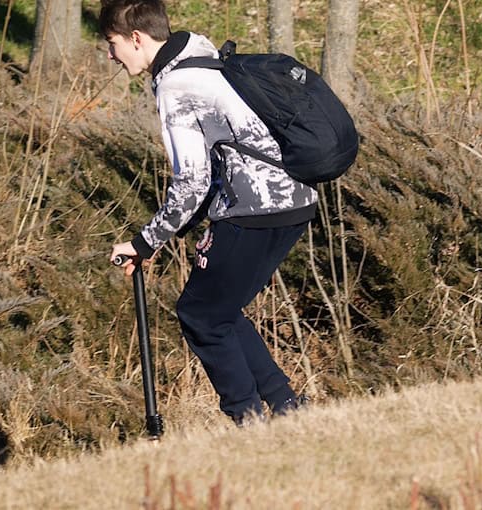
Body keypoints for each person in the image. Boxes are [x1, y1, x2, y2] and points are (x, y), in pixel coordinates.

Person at [101, 0, 318, 425]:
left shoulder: (176, 86)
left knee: (200, 314)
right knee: (219, 309)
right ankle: (287, 410)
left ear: (136, 39)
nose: (111, 55)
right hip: (295, 199)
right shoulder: (206, 60)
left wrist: (146, 241)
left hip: (255, 205)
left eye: (112, 44)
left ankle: (248, 419)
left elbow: (192, 180)